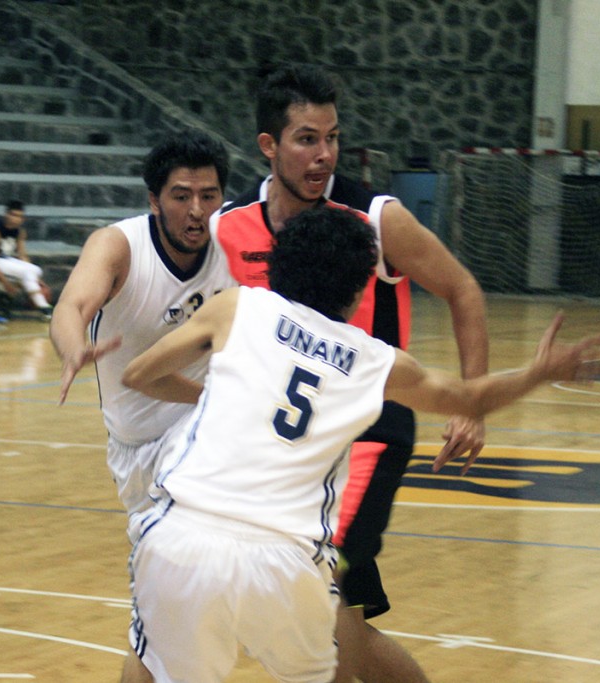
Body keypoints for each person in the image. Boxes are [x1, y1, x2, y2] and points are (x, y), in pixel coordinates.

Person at [121, 207, 600, 683]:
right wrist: (538, 373)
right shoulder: (376, 360)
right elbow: (469, 397)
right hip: (285, 558)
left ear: (278, 267)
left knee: (153, 669)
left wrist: (218, 394)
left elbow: (139, 374)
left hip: (181, 535)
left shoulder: (236, 307)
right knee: (330, 667)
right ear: (357, 290)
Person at [212, 63, 490, 682]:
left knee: (320, 608)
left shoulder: (376, 217)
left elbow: (464, 291)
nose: (324, 154)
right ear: (269, 146)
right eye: (307, 139)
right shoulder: (227, 226)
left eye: (332, 137)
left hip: (368, 435)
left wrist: (469, 405)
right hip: (288, 446)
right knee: (345, 626)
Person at [49, 129, 235, 681]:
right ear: (154, 200)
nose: (197, 210)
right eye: (181, 196)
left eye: (209, 195)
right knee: (160, 620)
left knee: (186, 594)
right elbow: (72, 303)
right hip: (134, 450)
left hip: (202, 438)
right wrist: (73, 344)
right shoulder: (119, 246)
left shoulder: (234, 243)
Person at [0, 200, 53, 320]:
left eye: (20, 216)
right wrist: (5, 282)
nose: (17, 219)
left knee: (35, 270)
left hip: (8, 260)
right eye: (14, 215)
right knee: (29, 272)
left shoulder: (20, 231)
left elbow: (22, 255)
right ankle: (44, 307)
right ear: (6, 214)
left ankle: (44, 308)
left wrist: (37, 279)